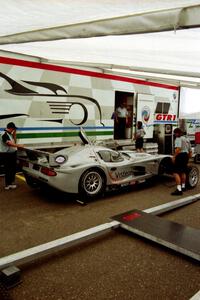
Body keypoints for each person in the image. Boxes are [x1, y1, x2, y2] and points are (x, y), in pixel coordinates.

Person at [0, 122, 24, 190]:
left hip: (12, 154)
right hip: (7, 154)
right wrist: (19, 146)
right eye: (13, 129)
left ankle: (11, 183)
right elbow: (9, 143)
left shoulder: (9, 134)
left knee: (13, 169)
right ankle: (8, 185)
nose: (14, 130)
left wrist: (14, 134)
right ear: (11, 128)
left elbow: (14, 142)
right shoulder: (4, 134)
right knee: (8, 169)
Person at [171, 127, 192, 196]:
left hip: (180, 156)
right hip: (186, 156)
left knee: (175, 172)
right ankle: (183, 187)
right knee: (183, 171)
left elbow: (178, 149)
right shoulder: (187, 139)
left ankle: (179, 190)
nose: (174, 134)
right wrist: (188, 159)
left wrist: (174, 156)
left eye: (175, 133)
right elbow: (190, 151)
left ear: (177, 133)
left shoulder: (178, 139)